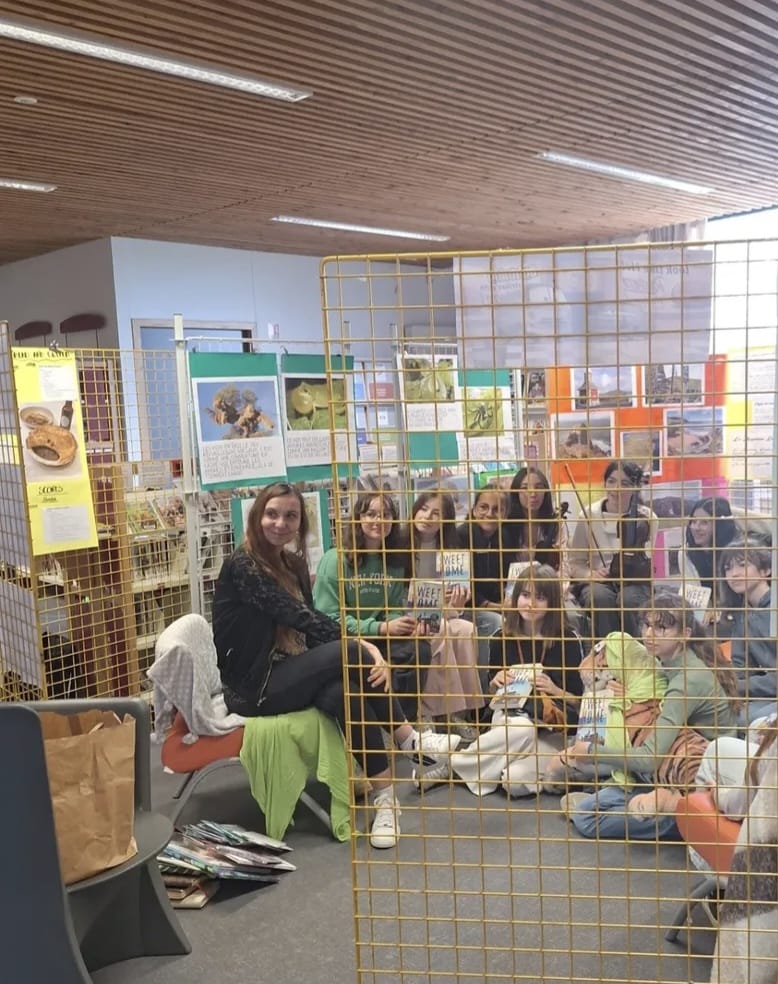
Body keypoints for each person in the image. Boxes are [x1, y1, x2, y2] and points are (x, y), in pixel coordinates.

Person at [214, 483, 458, 849]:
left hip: (290, 669)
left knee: (346, 692)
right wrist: (364, 648)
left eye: (291, 516)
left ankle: (386, 801)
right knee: (352, 654)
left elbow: (310, 630)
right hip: (252, 687)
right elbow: (299, 616)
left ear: (301, 523)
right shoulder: (242, 565)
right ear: (256, 516)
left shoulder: (294, 565)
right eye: (272, 514)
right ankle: (409, 738)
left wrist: (359, 649)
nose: (280, 523)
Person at [561, 591, 740, 841]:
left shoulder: (687, 680)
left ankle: (678, 817)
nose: (648, 634)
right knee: (591, 765)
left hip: (697, 776)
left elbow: (648, 758)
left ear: (685, 634)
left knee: (586, 816)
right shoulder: (674, 663)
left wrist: (591, 751)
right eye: (646, 624)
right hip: (675, 760)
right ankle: (628, 797)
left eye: (661, 628)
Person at [413, 564, 584, 797]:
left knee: (514, 783)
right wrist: (494, 683)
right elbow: (491, 700)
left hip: (553, 727)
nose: (530, 604)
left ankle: (455, 762)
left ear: (552, 602)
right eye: (525, 595)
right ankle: (465, 765)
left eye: (541, 598)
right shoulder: (501, 637)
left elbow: (581, 703)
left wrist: (555, 690)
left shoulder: (568, 640)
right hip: (510, 718)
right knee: (522, 730)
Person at [313, 491, 433, 725]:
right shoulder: (335, 560)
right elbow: (328, 618)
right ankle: (387, 722)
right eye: (371, 514)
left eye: (386, 514)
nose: (379, 520)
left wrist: (399, 623)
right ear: (358, 518)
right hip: (343, 638)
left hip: (380, 635)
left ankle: (404, 725)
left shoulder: (395, 559)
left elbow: (392, 607)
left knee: (419, 650)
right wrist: (381, 628)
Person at [407, 491, 485, 739]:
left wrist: (458, 603)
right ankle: (428, 714)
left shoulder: (451, 552)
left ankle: (458, 713)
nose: (427, 517)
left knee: (465, 629)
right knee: (439, 628)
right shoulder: (400, 546)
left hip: (438, 613)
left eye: (436, 513)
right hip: (406, 614)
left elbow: (451, 605)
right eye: (423, 509)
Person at [569, 460, 657, 640]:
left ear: (635, 488)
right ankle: (607, 651)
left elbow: (646, 561)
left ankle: (637, 651)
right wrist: (590, 574)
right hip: (598, 583)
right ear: (604, 483)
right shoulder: (588, 515)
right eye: (611, 481)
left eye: (625, 483)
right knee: (599, 597)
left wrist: (629, 572)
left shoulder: (647, 518)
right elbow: (575, 563)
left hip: (634, 582)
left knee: (629, 600)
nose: (617, 488)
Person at [719, 538, 776, 725]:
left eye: (743, 565)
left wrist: (734, 686)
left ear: (766, 570)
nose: (734, 574)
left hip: (770, 690)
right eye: (728, 568)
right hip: (768, 692)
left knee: (750, 721)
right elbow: (741, 666)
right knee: (723, 715)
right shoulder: (741, 614)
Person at [455, 484, 509, 682]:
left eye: (497, 509)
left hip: (495, 603)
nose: (490, 514)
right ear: (474, 510)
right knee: (495, 621)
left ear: (505, 514)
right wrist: (493, 606)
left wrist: (507, 600)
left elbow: (505, 579)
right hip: (467, 606)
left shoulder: (503, 537)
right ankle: (485, 686)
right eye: (484, 507)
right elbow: (461, 586)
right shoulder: (460, 536)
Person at [677, 496, 737, 615]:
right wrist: (706, 614)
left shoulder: (736, 549)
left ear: (720, 524)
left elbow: (769, 525)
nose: (696, 528)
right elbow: (693, 598)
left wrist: (732, 514)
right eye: (693, 521)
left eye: (704, 522)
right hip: (708, 615)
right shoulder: (686, 552)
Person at [503, 466, 566, 578]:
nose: (533, 494)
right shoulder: (506, 524)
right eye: (525, 488)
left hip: (547, 584)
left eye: (538, 487)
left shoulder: (556, 523)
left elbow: (565, 564)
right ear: (516, 492)